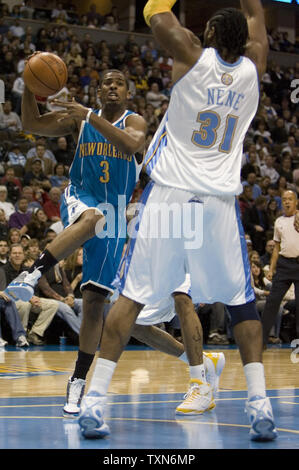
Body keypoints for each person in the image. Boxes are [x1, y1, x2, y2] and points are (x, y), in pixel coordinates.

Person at [76, 0, 277, 442]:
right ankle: (259, 404)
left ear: (206, 37)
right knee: (242, 303)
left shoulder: (189, 54)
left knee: (129, 299)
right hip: (220, 203)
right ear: (245, 43)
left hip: (168, 195)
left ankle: (94, 403)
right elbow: (258, 16)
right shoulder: (254, 67)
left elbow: (154, 9)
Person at [6, 68, 224, 421]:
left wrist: (88, 115)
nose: (110, 86)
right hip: (82, 198)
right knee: (92, 218)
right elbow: (31, 122)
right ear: (98, 90)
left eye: (118, 82)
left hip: (117, 220)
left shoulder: (133, 121)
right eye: (105, 81)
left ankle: (79, 379)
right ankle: (30, 274)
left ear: (126, 92)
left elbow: (132, 144)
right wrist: (32, 87)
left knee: (95, 305)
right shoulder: (79, 121)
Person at [262, 190, 299, 346]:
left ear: (296, 201)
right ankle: (261, 339)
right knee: (272, 301)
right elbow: (276, 248)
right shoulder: (279, 222)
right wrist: (271, 269)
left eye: (290, 199)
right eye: (284, 199)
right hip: (284, 264)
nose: (287, 202)